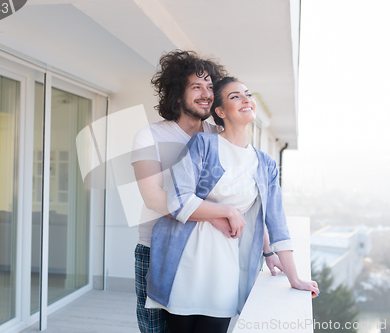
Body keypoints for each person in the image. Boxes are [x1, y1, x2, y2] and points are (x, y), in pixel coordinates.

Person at [146, 77, 319, 333]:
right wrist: (226, 211)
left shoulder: (265, 164)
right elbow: (179, 199)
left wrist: (292, 276)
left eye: (248, 94)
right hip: (185, 262)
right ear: (220, 111)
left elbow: (276, 220)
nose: (246, 99)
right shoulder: (204, 145)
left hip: (225, 269)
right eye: (235, 96)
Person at [131, 51, 283, 333]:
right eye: (196, 87)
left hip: (206, 255)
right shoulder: (150, 136)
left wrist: (268, 250)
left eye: (211, 87)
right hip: (155, 250)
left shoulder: (218, 137)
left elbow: (249, 200)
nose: (206, 94)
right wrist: (217, 214)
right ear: (177, 94)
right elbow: (153, 198)